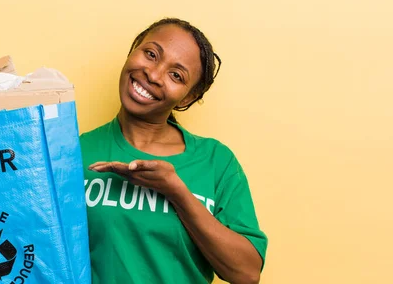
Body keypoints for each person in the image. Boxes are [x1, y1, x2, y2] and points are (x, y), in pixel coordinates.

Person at [80, 18, 267, 284]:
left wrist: (176, 191)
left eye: (176, 75)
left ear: (188, 97)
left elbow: (246, 274)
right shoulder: (73, 151)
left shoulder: (216, 161)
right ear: (133, 51)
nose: (153, 75)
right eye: (151, 54)